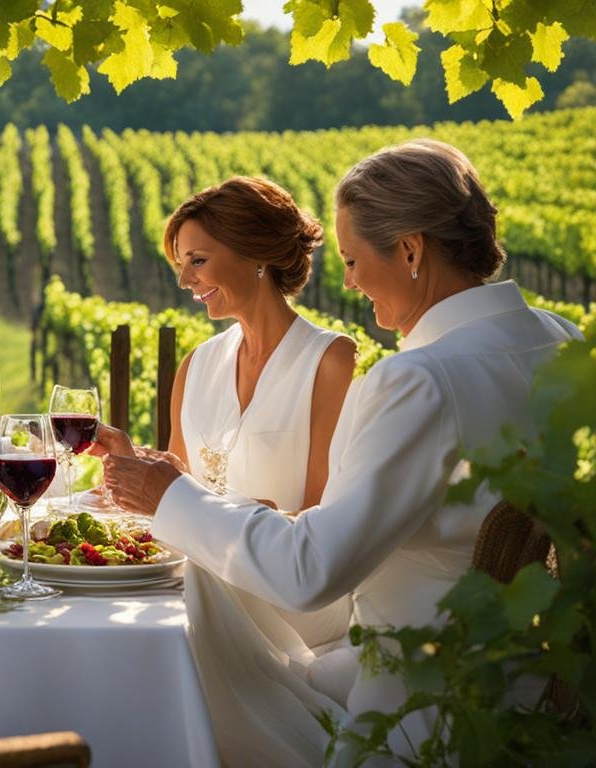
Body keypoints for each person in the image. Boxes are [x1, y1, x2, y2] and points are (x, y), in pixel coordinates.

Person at [96, 139, 582, 766]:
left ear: (410, 250)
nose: (348, 282)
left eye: (353, 261)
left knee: (175, 696)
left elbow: (310, 574)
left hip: (415, 710)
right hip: (525, 681)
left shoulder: (421, 380)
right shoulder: (559, 342)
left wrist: (172, 497)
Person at [91, 176, 357, 763]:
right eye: (182, 263)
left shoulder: (329, 360)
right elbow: (181, 491)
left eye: (198, 261)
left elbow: (322, 526)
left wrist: (203, 508)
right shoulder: (199, 364)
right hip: (202, 580)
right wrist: (132, 466)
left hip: (291, 602)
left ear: (256, 254)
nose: (185, 279)